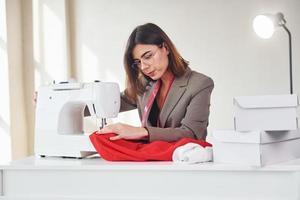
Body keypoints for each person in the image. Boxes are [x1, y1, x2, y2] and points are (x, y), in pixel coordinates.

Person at [99, 23, 214, 142]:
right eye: (138, 62)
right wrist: (80, 104)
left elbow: (191, 134)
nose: (143, 67)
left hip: (182, 158)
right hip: (152, 158)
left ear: (166, 48)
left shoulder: (200, 84)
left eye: (148, 56)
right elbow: (111, 102)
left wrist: (141, 132)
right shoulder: (144, 84)